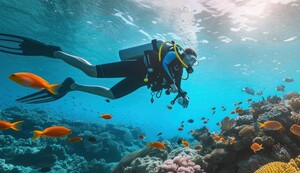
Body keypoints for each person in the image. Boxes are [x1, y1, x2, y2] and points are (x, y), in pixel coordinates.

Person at [0, 33, 198, 108]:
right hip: (136, 66)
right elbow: (164, 66)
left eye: (194, 62)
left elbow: (177, 85)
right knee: (91, 70)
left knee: (111, 94)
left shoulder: (180, 71)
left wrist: (183, 97)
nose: (191, 62)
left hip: (141, 80)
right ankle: (55, 53)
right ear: (185, 54)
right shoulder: (174, 54)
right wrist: (172, 84)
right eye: (191, 58)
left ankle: (73, 85)